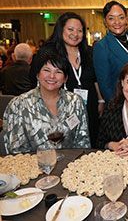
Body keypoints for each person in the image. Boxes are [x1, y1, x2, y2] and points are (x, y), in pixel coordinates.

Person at [30, 12, 103, 148]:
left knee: (89, 140)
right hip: (60, 108)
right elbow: (36, 81)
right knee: (64, 143)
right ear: (61, 29)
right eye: (70, 29)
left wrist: (100, 100)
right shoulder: (48, 53)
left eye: (79, 30)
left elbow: (95, 78)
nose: (75, 34)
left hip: (89, 105)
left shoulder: (89, 52)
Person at [3, 51, 90, 154]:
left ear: (65, 78)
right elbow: (15, 151)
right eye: (46, 70)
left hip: (69, 165)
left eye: (58, 72)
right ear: (37, 75)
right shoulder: (18, 105)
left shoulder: (75, 102)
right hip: (33, 167)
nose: (52, 76)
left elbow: (82, 142)